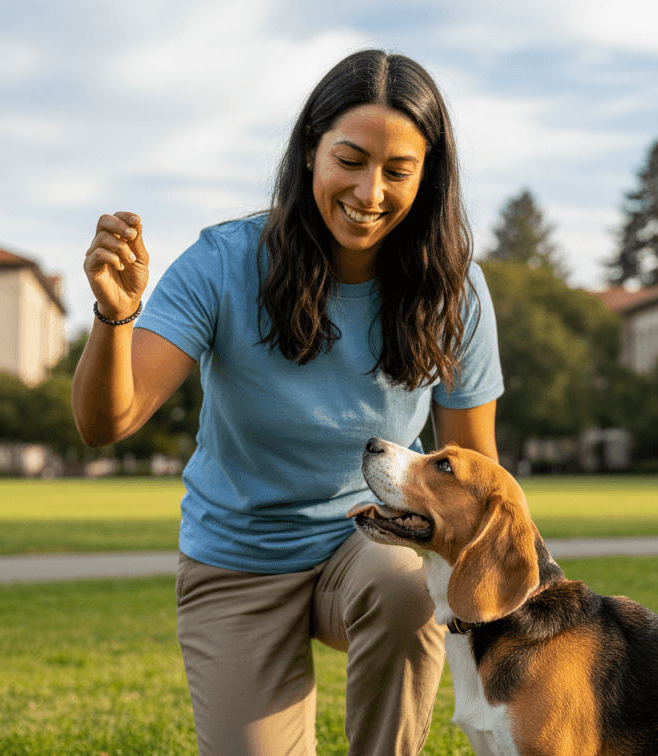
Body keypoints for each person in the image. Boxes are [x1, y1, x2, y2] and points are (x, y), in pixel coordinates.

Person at [71, 49, 503, 756]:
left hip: (371, 543)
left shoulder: (454, 293)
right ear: (310, 151)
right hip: (236, 562)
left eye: (398, 171)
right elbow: (104, 423)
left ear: (428, 179)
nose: (369, 192)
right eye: (351, 159)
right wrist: (114, 317)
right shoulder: (223, 262)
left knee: (406, 585)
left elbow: (475, 470)